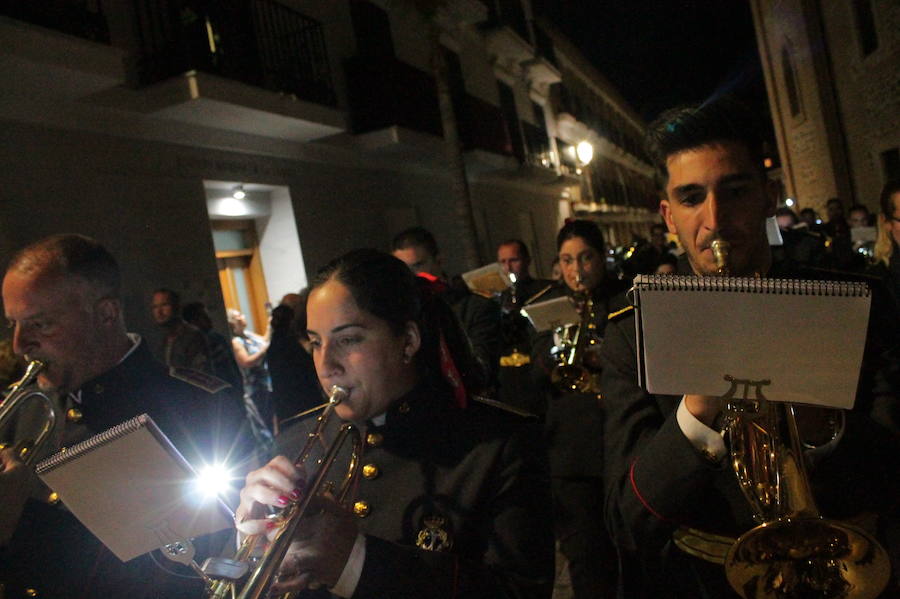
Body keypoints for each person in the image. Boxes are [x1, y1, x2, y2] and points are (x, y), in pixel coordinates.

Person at [599, 96, 900, 598]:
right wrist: (696, 414)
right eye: (692, 198)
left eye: (734, 191)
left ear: (769, 195)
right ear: (669, 216)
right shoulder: (633, 333)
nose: (715, 220)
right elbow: (626, 522)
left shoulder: (855, 304)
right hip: (704, 583)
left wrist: (822, 425)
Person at [231, 249, 554, 599]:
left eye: (349, 339)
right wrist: (252, 547)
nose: (327, 365)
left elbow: (519, 592)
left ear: (409, 341)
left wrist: (354, 562)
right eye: (316, 343)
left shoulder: (499, 444)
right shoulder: (292, 444)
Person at [0, 234, 250, 599]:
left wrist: (15, 523)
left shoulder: (196, 406)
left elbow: (187, 570)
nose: (20, 344)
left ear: (106, 314)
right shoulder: (25, 409)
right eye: (13, 324)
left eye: (40, 324)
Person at [530, 219, 628, 598]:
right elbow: (536, 375)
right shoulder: (548, 304)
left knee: (631, 552)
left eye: (585, 258)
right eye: (567, 260)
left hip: (621, 442)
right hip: (572, 454)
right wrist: (556, 355)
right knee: (587, 559)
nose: (577, 269)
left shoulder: (624, 298)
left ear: (601, 258)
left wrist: (607, 354)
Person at [391, 227, 500, 389]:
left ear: (439, 262)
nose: (411, 276)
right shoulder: (397, 315)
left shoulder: (476, 307)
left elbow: (481, 373)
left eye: (418, 266)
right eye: (404, 270)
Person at [495, 239, 553, 414]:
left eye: (514, 260)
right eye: (503, 262)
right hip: (510, 377)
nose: (508, 267)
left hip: (537, 369)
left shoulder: (544, 290)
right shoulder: (498, 297)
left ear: (527, 261)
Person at [228, 308, 275, 448]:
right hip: (255, 388)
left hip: (266, 384)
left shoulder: (247, 335)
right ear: (232, 323)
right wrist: (265, 350)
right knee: (264, 424)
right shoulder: (237, 342)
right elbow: (246, 362)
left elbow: (265, 340)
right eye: (238, 317)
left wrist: (270, 324)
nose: (243, 317)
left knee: (271, 421)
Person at [182, 300, 243, 392]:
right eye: (204, 316)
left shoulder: (217, 338)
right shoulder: (192, 344)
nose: (209, 319)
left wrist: (239, 385)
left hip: (232, 388)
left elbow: (231, 365)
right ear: (193, 321)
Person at [150, 288, 212, 372]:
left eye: (165, 305)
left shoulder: (193, 336)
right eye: (155, 306)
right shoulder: (159, 340)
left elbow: (201, 374)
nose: (159, 311)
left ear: (177, 307)